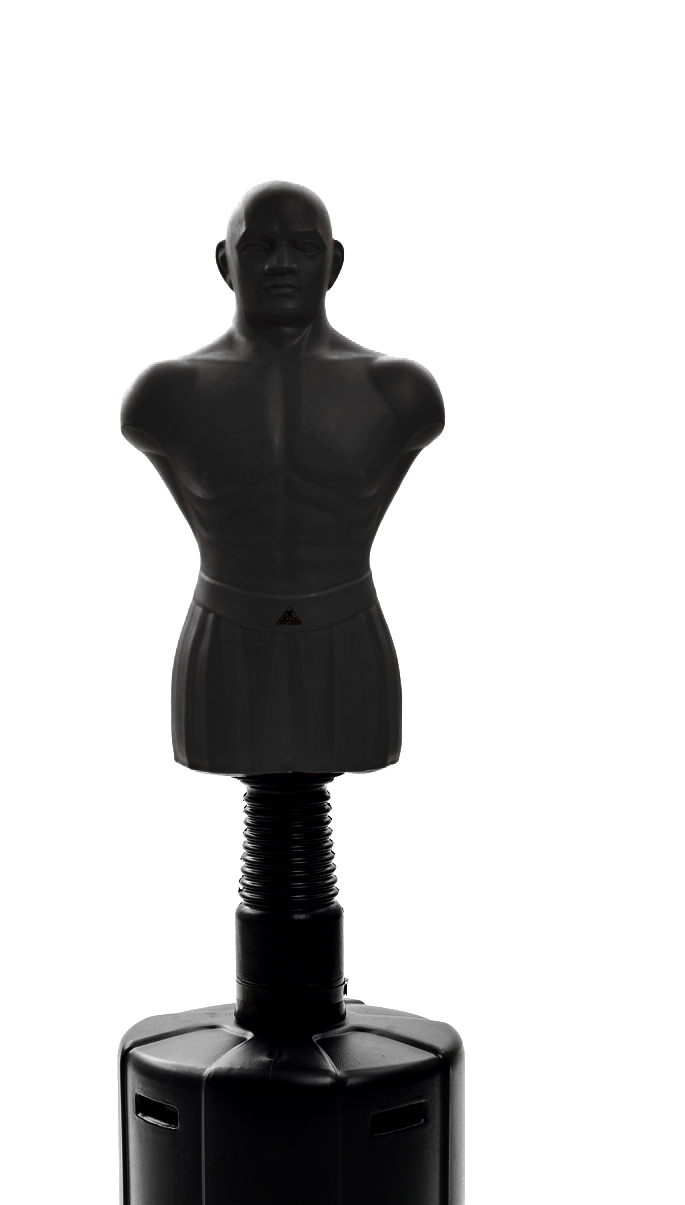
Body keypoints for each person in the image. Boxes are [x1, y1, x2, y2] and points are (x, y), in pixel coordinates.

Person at [121, 182, 444, 774]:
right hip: (223, 644)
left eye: (304, 246)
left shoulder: (398, 391)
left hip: (349, 642)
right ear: (224, 263)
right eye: (258, 247)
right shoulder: (168, 394)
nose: (281, 264)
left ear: (334, 263)